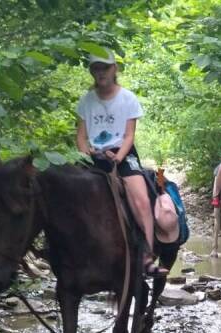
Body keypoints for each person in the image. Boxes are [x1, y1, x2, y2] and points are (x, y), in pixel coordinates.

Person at [76, 50, 167, 276]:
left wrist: (118, 156)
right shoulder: (86, 100)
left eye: (105, 68)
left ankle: (147, 256)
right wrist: (86, 151)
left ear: (114, 69)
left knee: (142, 200)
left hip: (123, 154)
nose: (101, 73)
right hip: (93, 156)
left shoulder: (127, 98)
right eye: (96, 68)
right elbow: (81, 136)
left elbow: (129, 135)